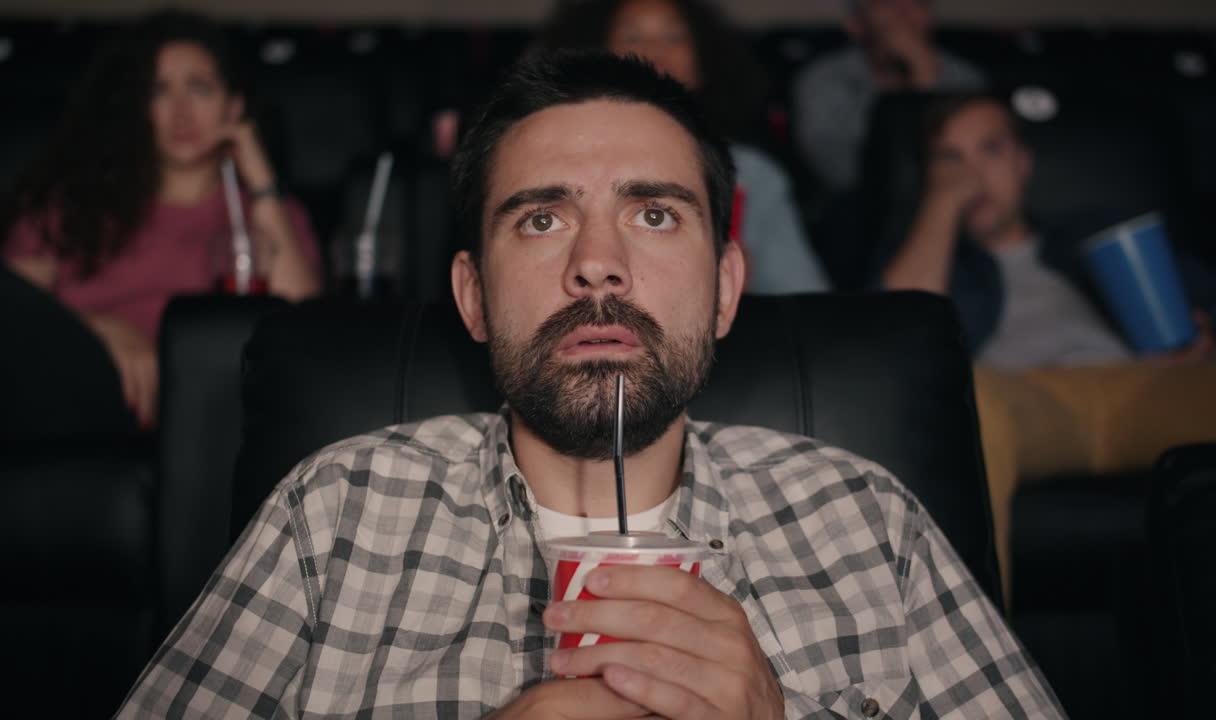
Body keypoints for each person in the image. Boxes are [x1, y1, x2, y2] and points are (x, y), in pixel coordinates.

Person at [116, 53, 1064, 718]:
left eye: (654, 215)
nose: (598, 264)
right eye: (542, 220)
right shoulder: (336, 511)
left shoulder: (864, 519)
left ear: (725, 288)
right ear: (473, 297)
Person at [880, 92, 1216, 596]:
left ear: (1023, 162)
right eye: (950, 158)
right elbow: (898, 326)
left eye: (990, 150)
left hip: (1149, 384)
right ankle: (970, 644)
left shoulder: (1088, 234)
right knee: (972, 403)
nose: (972, 174)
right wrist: (942, 202)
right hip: (1026, 400)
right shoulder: (927, 252)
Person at [1, 10, 321, 429]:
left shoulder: (270, 213)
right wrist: (93, 329)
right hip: (77, 409)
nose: (182, 111)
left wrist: (260, 179)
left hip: (221, 415)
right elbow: (14, 320)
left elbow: (302, 337)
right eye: (159, 91)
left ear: (234, 105)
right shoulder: (69, 205)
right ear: (137, 109)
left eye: (200, 88)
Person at [536, 0, 832, 295]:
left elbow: (806, 297)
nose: (655, 50)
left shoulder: (751, 174)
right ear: (593, 57)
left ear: (704, 61)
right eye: (633, 37)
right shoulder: (551, 162)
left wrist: (743, 286)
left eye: (674, 37)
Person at [792, 0, 984, 193]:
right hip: (860, 200)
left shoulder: (963, 78)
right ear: (855, 25)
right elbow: (838, 169)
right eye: (885, 3)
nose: (902, 11)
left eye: (916, 2)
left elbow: (975, 161)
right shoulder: (825, 78)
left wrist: (926, 78)